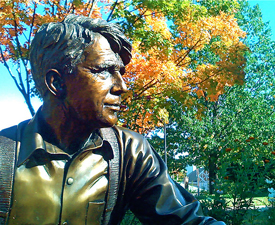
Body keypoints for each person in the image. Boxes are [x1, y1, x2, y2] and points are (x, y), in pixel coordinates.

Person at [0, 15, 225, 225]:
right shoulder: (4, 154)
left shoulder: (130, 152)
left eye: (121, 73)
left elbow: (186, 219)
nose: (122, 87)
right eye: (104, 71)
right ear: (57, 83)